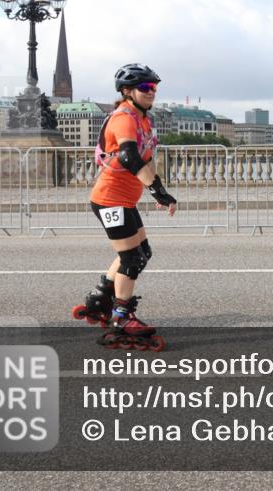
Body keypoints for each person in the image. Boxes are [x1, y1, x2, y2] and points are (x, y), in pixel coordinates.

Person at [73, 63, 175, 351]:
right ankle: (121, 316)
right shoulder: (124, 118)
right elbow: (130, 157)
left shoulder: (143, 120)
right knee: (132, 259)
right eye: (145, 87)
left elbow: (146, 159)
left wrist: (160, 191)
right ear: (127, 91)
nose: (151, 91)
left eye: (154, 87)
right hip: (110, 199)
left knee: (142, 252)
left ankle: (100, 298)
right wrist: (156, 191)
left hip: (124, 199)